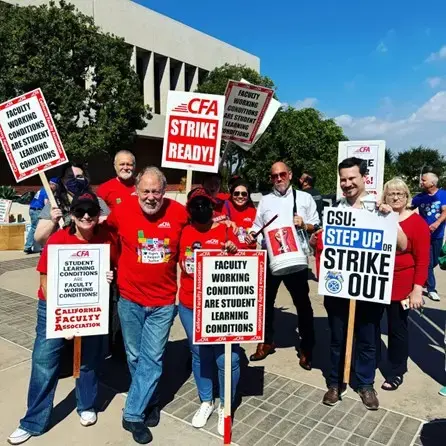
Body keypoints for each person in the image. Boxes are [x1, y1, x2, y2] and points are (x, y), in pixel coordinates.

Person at [8, 193, 115, 445]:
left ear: (99, 215)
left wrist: (109, 275)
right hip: (53, 308)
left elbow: (115, 266)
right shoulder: (57, 240)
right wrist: (64, 318)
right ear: (73, 215)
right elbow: (45, 281)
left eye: (91, 210)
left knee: (89, 359)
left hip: (91, 307)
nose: (86, 215)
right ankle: (33, 420)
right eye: (80, 211)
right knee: (45, 362)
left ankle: (86, 405)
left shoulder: (106, 240)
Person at [104, 166, 188, 444]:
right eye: (146, 191)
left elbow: (203, 228)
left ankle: (133, 414)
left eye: (156, 191)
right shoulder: (123, 210)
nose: (151, 197)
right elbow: (99, 232)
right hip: (129, 299)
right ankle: (150, 400)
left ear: (165, 192)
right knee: (135, 357)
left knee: (152, 359)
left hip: (163, 303)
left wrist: (228, 227)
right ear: (137, 191)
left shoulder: (178, 213)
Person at [322, 157, 407, 410]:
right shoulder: (335, 210)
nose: (347, 184)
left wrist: (390, 219)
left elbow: (402, 245)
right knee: (338, 339)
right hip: (339, 289)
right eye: (343, 179)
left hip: (369, 289)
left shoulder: (379, 209)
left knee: (368, 340)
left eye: (352, 178)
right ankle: (336, 383)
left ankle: (365, 384)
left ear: (363, 179)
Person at [245, 161, 320, 369]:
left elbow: (317, 224)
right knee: (265, 303)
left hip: (295, 260)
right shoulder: (266, 200)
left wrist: (305, 225)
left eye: (282, 174)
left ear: (290, 174)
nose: (278, 179)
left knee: (303, 305)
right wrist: (252, 234)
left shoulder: (304, 198)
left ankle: (307, 347)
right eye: (274, 176)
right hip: (272, 259)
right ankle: (267, 342)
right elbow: (257, 225)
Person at [178, 187, 239, 436]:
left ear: (212, 207)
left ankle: (226, 404)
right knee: (199, 353)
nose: (200, 208)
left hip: (221, 307)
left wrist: (234, 250)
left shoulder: (226, 230)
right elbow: (181, 264)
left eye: (205, 204)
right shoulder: (184, 232)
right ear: (189, 209)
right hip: (190, 305)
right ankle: (206, 401)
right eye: (195, 204)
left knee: (228, 357)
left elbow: (246, 260)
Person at [380, 178, 429, 391]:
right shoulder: (379, 216)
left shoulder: (417, 223)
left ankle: (396, 370)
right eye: (391, 193)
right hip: (376, 281)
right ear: (385, 196)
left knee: (397, 329)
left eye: (400, 193)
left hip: (401, 285)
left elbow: (423, 259)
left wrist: (417, 289)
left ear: (407, 196)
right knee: (370, 326)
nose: (396, 197)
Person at [34, 162, 110, 246]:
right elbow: (39, 239)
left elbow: (108, 231)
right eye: (70, 177)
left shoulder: (97, 201)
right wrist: (53, 222)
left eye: (79, 176)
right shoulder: (55, 204)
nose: (75, 180)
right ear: (63, 180)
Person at [412, 171, 446, 302]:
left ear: (433, 183)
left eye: (424, 180)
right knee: (428, 262)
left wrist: (437, 223)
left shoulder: (442, 195)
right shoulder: (419, 197)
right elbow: (409, 207)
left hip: (438, 235)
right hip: (423, 235)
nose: (421, 182)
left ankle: (424, 277)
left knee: (435, 261)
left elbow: (445, 211)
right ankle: (432, 289)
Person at [24, 177, 58, 254]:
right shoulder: (48, 191)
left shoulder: (42, 189)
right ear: (53, 185)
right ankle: (36, 247)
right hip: (38, 210)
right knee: (40, 228)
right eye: (56, 186)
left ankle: (29, 247)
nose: (55, 188)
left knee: (33, 228)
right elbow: (46, 203)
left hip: (32, 209)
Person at [222, 179, 257, 248]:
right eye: (236, 193)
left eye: (244, 194)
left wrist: (254, 234)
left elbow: (258, 229)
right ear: (231, 194)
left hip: (249, 253)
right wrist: (225, 221)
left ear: (248, 196)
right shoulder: (225, 205)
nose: (240, 196)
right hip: (230, 252)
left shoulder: (253, 211)